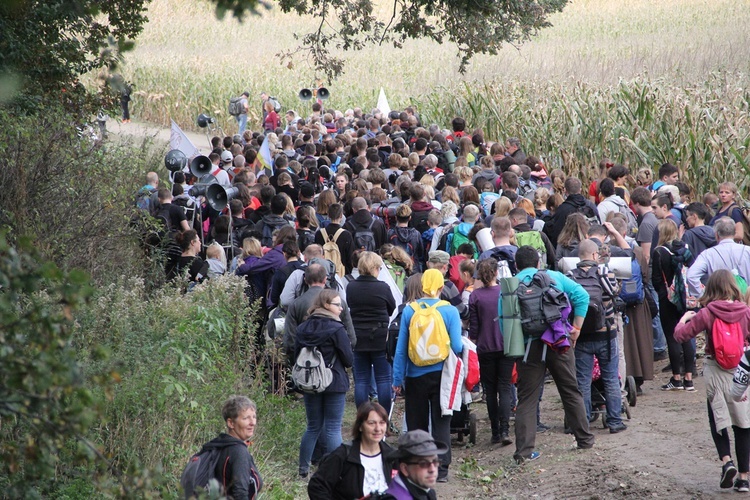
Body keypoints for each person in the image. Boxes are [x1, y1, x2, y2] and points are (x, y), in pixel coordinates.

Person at [513, 245, 595, 463]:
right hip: (558, 342)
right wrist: (576, 329)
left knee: (527, 399)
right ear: (538, 263)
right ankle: (584, 439)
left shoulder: (511, 285)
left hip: (528, 347)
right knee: (570, 390)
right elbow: (582, 296)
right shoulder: (553, 276)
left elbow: (506, 323)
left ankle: (523, 452)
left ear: (516, 265)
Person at [675, 270, 750, 492]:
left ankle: (727, 461)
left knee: (717, 417)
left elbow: (681, 336)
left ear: (711, 289)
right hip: (740, 369)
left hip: (715, 368)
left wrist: (683, 320)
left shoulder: (707, 313)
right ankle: (744, 478)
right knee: (743, 421)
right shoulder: (745, 311)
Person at [392, 269, 463, 482]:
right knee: (441, 422)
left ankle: (417, 467)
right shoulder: (449, 311)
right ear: (442, 287)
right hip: (442, 375)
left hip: (414, 375)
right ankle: (441, 471)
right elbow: (458, 346)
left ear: (422, 285)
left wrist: (397, 378)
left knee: (417, 423)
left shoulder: (409, 311)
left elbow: (401, 349)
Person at [295, 289, 354, 478]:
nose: (341, 308)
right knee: (333, 427)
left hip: (309, 381)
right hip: (334, 380)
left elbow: (295, 355)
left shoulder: (303, 327)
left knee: (313, 426)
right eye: (338, 305)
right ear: (326, 305)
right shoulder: (336, 329)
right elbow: (348, 359)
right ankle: (337, 470)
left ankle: (303, 469)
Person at [570, 239, 627, 433]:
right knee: (611, 378)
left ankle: (583, 422)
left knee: (583, 381)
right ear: (595, 255)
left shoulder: (571, 276)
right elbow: (614, 292)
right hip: (606, 334)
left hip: (582, 336)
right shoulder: (603, 272)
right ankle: (614, 421)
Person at [468, 258, 514, 445]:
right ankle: (504, 430)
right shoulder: (505, 292)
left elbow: (474, 329)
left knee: (490, 390)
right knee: (505, 387)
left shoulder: (475, 296)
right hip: (505, 346)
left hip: (485, 348)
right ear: (496, 272)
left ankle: (495, 431)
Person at [308, 402, 395, 499]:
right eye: (371, 423)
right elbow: (317, 486)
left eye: (382, 423)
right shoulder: (343, 455)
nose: (378, 429)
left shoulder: (392, 456)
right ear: (360, 426)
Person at [347, 252, 397, 414]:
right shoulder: (382, 287)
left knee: (361, 380)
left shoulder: (351, 287)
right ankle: (383, 417)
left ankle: (362, 417)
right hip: (380, 337)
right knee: (383, 379)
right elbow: (391, 308)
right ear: (375, 268)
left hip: (358, 337)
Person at [652, 219, 695, 391]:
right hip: (685, 299)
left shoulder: (659, 252)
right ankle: (689, 378)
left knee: (672, 337)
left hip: (668, 300)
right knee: (687, 336)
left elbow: (656, 279)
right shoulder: (685, 249)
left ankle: (676, 377)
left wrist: (664, 294)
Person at [195, 395, 262, 499]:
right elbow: (240, 494)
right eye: (246, 418)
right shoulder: (239, 452)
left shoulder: (218, 445)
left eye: (254, 417)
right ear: (231, 423)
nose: (252, 423)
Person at [688, 217, 750, 298]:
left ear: (716, 235)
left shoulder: (708, 254)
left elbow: (691, 276)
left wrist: (702, 296)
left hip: (719, 304)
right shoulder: (747, 251)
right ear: (734, 233)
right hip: (745, 303)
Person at [381, 430, 445, 500]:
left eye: (435, 461)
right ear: (405, 469)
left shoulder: (427, 492)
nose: (432, 469)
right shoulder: (394, 497)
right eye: (423, 464)